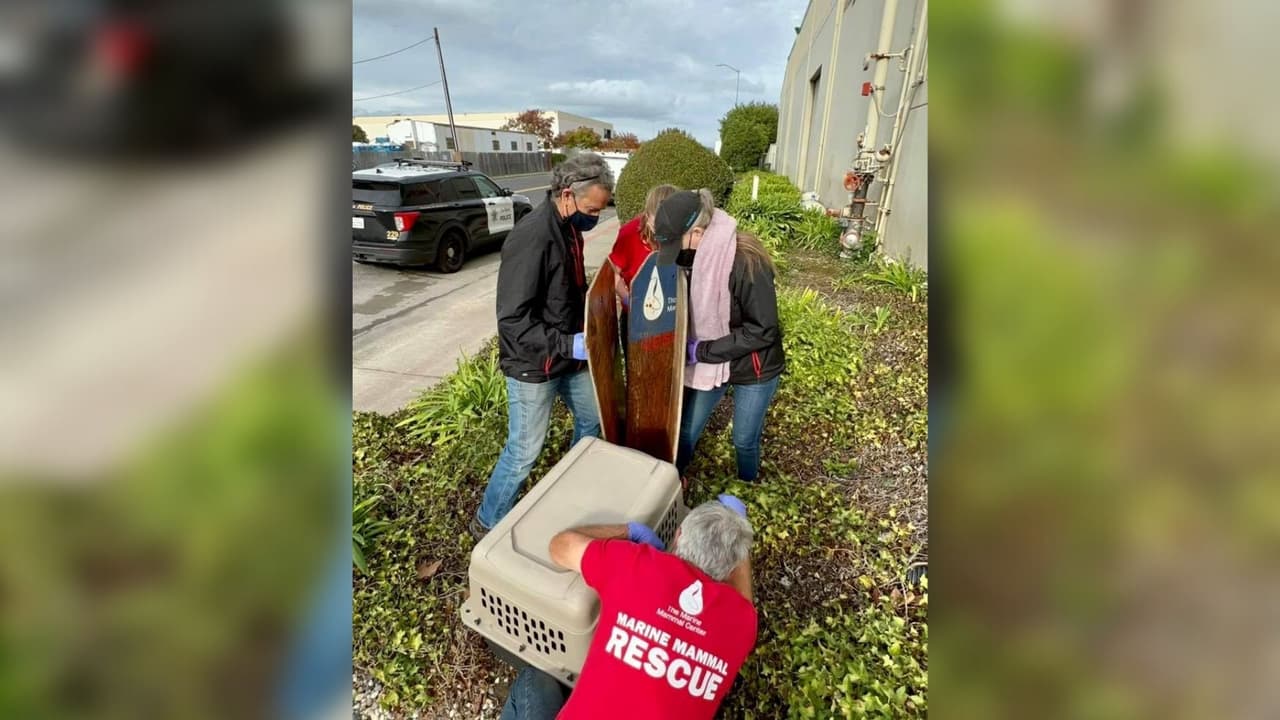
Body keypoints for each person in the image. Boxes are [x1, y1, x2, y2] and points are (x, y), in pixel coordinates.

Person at [500, 496, 756, 719]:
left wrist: (629, 531)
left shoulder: (638, 565)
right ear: (731, 568)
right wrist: (735, 525)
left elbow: (560, 546)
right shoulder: (742, 622)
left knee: (534, 680)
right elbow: (744, 597)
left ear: (678, 536)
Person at [471, 154, 615, 539]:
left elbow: (566, 290)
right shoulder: (532, 237)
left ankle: (568, 488)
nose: (595, 217)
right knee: (524, 452)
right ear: (567, 195)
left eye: (600, 210)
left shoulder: (569, 229)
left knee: (592, 420)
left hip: (568, 358)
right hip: (534, 364)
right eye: (591, 210)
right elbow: (513, 321)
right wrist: (568, 344)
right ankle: (487, 520)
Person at [652, 190, 786, 482]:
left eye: (677, 244)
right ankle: (670, 483)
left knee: (744, 440)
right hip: (712, 360)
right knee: (686, 430)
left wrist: (701, 351)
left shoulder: (746, 261)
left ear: (697, 233)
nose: (678, 254)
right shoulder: (695, 259)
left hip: (754, 366)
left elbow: (763, 330)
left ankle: (748, 484)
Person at [606, 183, 680, 304]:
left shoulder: (686, 234)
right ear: (648, 214)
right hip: (637, 306)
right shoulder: (630, 234)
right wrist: (628, 300)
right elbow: (613, 272)